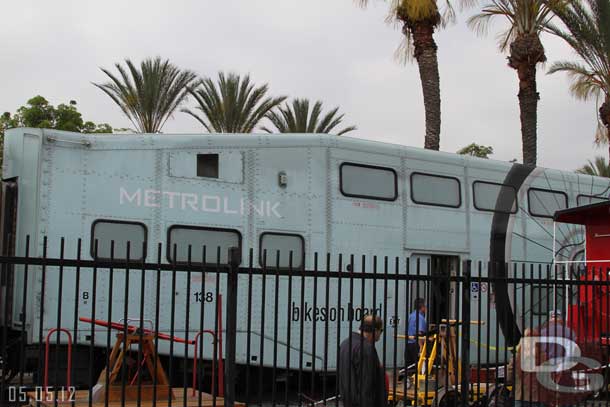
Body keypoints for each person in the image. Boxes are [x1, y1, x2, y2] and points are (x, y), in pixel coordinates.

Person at [338, 315, 387, 407]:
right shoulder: (366, 348)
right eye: (381, 331)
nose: (380, 334)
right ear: (375, 330)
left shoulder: (345, 344)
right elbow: (367, 385)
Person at [405, 298, 427, 370]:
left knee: (409, 366)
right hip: (416, 344)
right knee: (417, 366)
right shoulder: (420, 318)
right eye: (425, 306)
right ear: (422, 306)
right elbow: (419, 333)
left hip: (409, 343)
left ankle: (407, 380)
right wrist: (421, 347)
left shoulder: (411, 316)